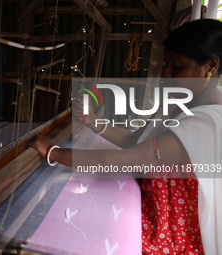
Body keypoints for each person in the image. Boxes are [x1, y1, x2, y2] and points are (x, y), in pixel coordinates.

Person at [29, 19, 222, 254]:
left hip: (172, 237)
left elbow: (125, 160)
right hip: (160, 214)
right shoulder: (190, 102)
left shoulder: (208, 123)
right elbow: (138, 142)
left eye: (177, 66)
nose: (166, 73)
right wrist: (94, 122)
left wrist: (53, 152)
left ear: (211, 66)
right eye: (166, 64)